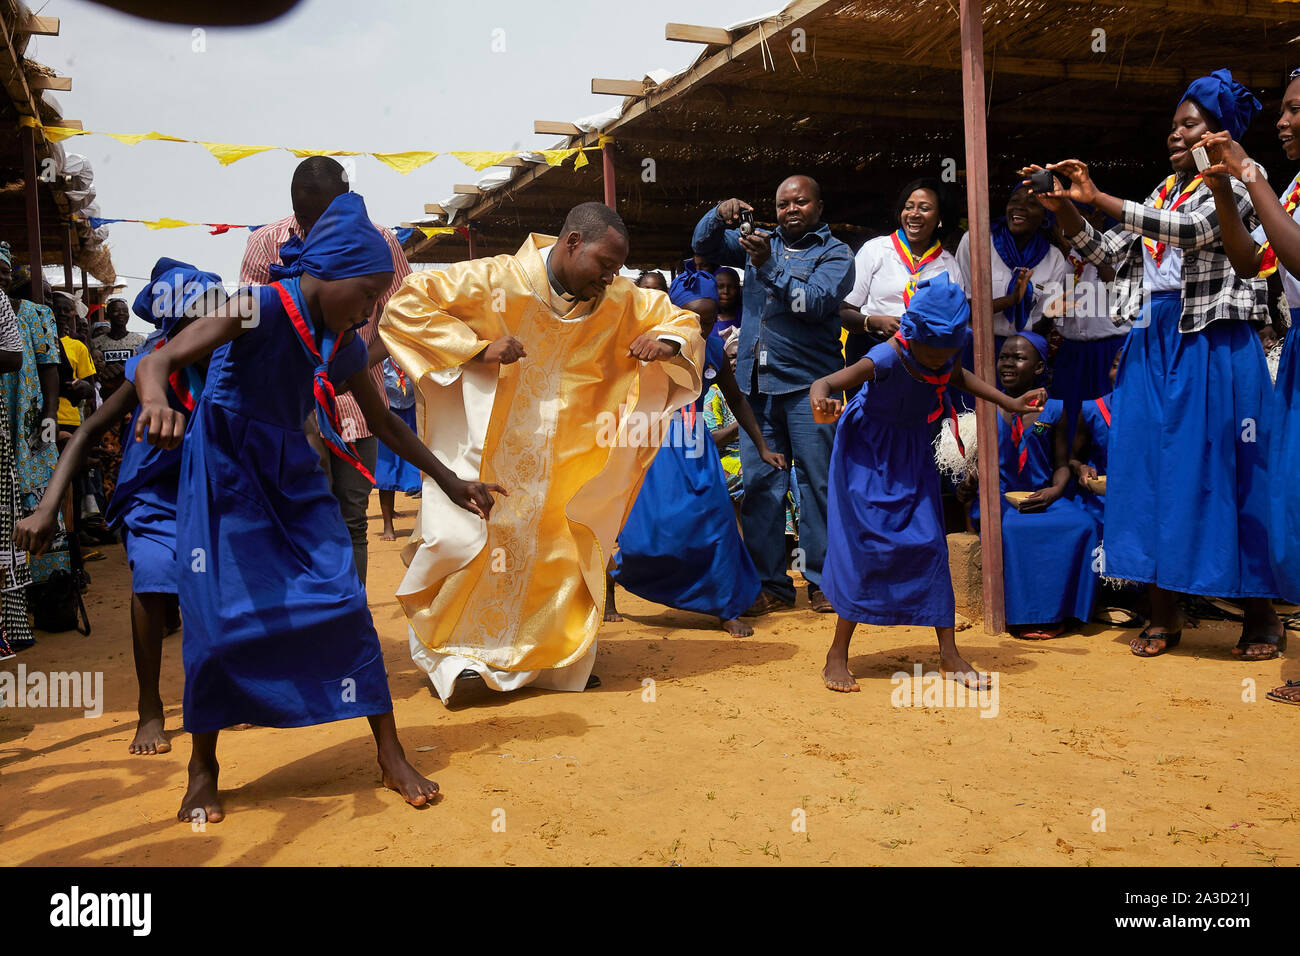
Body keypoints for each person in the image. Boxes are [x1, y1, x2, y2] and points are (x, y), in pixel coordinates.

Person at [133, 193, 489, 822]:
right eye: (367, 294)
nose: (370, 310)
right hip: (224, 473)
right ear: (326, 273)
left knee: (345, 601)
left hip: (293, 475)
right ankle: (202, 767)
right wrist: (158, 401)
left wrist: (450, 479)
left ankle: (390, 753)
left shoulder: (344, 339)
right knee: (217, 624)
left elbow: (384, 422)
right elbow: (159, 359)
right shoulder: (254, 305)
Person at [380, 201, 703, 705]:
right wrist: (473, 348)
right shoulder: (494, 280)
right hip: (490, 454)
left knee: (560, 557)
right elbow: (405, 304)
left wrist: (665, 342)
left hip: (571, 466)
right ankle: (460, 660)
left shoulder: (620, 298)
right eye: (604, 264)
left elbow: (681, 320)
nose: (611, 277)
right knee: (475, 548)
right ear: (572, 242)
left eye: (617, 269)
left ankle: (554, 663)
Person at [1032, 68, 1282, 659]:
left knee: (1225, 469)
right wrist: (1066, 207)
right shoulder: (1162, 192)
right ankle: (1162, 610)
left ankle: (1261, 612)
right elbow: (1109, 254)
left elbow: (1194, 234)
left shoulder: (1244, 180)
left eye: (1189, 125)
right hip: (1152, 341)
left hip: (1213, 341)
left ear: (1220, 132)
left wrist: (1101, 199)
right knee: (1146, 468)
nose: (1175, 136)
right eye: (1173, 127)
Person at [15, 259, 225, 754]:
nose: (211, 322)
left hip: (215, 496)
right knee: (152, 585)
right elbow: (87, 431)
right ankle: (150, 708)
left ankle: (215, 693)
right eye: (197, 314)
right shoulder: (152, 362)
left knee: (213, 598)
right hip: (153, 499)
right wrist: (48, 507)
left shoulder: (234, 364)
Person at [812, 274, 1037, 692]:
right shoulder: (884, 357)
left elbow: (959, 377)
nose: (940, 361)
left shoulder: (943, 354)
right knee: (867, 547)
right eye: (933, 354)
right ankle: (836, 654)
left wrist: (1010, 403)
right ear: (912, 336)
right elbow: (824, 383)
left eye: (948, 352)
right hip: (866, 453)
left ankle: (950, 655)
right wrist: (821, 401)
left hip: (911, 452)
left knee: (930, 543)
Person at [241, 155, 410, 585]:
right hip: (291, 409)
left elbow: (403, 321)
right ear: (299, 212)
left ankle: (350, 620)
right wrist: (307, 382)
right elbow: (250, 326)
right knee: (300, 516)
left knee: (353, 519)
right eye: (319, 218)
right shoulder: (267, 243)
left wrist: (351, 366)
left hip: (360, 404)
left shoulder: (380, 242)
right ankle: (311, 621)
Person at [692, 175, 855, 616]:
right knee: (761, 486)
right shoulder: (757, 241)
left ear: (819, 207)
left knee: (819, 483)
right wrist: (720, 211)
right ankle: (771, 585)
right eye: (783, 204)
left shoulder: (836, 254)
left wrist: (768, 267)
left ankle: (823, 581)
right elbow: (703, 244)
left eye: (800, 202)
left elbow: (818, 303)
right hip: (755, 387)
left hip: (814, 386)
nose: (791, 210)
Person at [1193, 67, 1300, 700]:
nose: (1282, 121)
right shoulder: (1289, 190)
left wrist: (1250, 174)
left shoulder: (1276, 185)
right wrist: (1228, 189)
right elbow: (1250, 262)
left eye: (1294, 110)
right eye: (1283, 109)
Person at [610, 266, 785, 637]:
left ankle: (726, 607)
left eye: (708, 318)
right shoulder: (647, 341)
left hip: (695, 442)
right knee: (646, 531)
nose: (702, 326)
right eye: (694, 318)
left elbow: (736, 398)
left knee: (717, 521)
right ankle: (611, 585)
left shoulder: (714, 347)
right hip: (652, 443)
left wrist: (763, 446)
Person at [961, 333, 1101, 639]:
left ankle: (1064, 611)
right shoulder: (986, 404)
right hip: (998, 497)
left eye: (1018, 358)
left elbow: (1062, 464)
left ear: (1039, 367)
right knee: (1009, 530)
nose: (1008, 363)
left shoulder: (1056, 409)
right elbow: (974, 462)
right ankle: (1021, 614)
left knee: (1084, 524)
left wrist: (1054, 491)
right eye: (1004, 357)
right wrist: (972, 479)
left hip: (1042, 496)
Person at [956, 182, 1068, 393]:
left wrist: (1052, 315)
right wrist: (1010, 301)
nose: (1019, 207)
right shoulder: (975, 241)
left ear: (1045, 216)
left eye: (1031, 203)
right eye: (1014, 200)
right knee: (971, 417)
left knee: (1013, 419)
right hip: (975, 347)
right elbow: (959, 308)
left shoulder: (1053, 258)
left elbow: (1042, 321)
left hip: (1020, 356)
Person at [840, 178, 961, 370]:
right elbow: (845, 312)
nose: (914, 214)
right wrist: (873, 322)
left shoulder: (949, 265)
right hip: (871, 351)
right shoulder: (875, 250)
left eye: (924, 208)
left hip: (925, 357)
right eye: (908, 207)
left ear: (940, 218)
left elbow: (955, 322)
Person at [5, 266, 66, 591]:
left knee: (40, 482)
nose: (2, 278)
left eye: (5, 271)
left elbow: (50, 367)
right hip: (5, 415)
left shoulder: (36, 313)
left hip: (31, 414)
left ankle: (49, 585)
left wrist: (50, 415)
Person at [1048, 208, 1126, 429]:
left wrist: (1094, 253)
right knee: (1069, 412)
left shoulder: (1125, 251)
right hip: (1073, 350)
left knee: (1106, 415)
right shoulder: (1069, 257)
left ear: (1098, 218)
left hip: (1109, 349)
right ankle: (1069, 460)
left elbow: (1122, 295)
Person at [375, 356, 421, 541]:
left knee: (420, 469)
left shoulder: (410, 351)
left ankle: (423, 526)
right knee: (386, 472)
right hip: (387, 412)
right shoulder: (381, 357)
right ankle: (388, 526)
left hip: (412, 410)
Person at [90, 297, 146, 384]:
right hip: (105, 389)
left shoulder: (139, 341)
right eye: (116, 310)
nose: (121, 314)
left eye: (125, 311)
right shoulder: (96, 343)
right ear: (108, 315)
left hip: (131, 388)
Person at [713, 266, 743, 340]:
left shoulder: (746, 320)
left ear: (738, 290)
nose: (726, 291)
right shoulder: (705, 320)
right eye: (720, 287)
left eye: (731, 287)